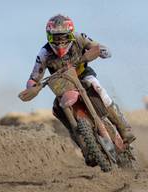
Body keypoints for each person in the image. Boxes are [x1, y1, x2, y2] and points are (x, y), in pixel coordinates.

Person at [20, 14, 135, 144]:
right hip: (61, 83)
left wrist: (101, 51)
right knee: (57, 109)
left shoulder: (80, 38)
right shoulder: (44, 53)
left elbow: (98, 47)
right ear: (49, 36)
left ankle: (123, 127)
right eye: (56, 37)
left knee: (98, 87)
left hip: (83, 74)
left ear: (71, 33)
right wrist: (32, 87)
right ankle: (81, 142)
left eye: (64, 36)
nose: (60, 41)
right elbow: (34, 77)